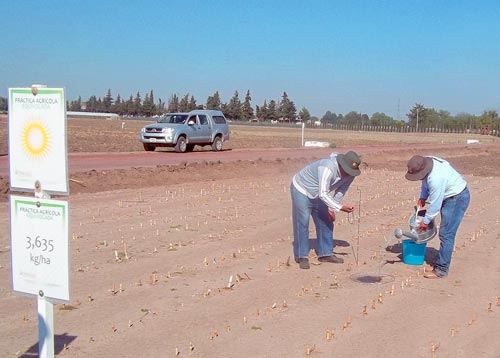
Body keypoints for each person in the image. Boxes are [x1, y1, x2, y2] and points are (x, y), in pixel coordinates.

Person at [290, 151, 361, 269]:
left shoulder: (350, 175)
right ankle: (301, 256)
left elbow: (341, 191)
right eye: (347, 170)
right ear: (341, 164)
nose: (347, 174)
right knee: (302, 221)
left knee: (325, 221)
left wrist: (332, 209)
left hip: (319, 193)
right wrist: (340, 208)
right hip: (302, 189)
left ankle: (325, 253)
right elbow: (323, 194)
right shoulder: (327, 167)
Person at [405, 155, 470, 279]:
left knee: (446, 234)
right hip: (451, 196)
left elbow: (435, 203)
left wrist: (425, 221)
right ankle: (440, 263)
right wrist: (423, 196)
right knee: (446, 234)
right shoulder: (427, 163)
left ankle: (441, 269)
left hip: (456, 198)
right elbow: (425, 181)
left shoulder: (436, 178)